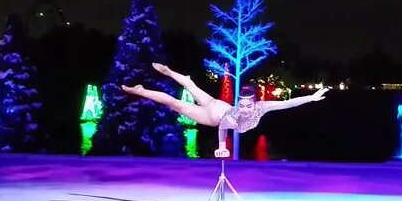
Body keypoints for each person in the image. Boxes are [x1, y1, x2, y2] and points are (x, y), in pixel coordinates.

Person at [122, 63, 329, 158]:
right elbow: (222, 127)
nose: (245, 108)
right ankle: (148, 86)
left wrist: (311, 97)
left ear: (255, 102)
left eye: (248, 105)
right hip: (212, 114)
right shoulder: (235, 113)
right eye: (242, 105)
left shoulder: (263, 106)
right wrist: (222, 146)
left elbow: (288, 103)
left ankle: (163, 75)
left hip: (215, 105)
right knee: (177, 103)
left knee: (191, 88)